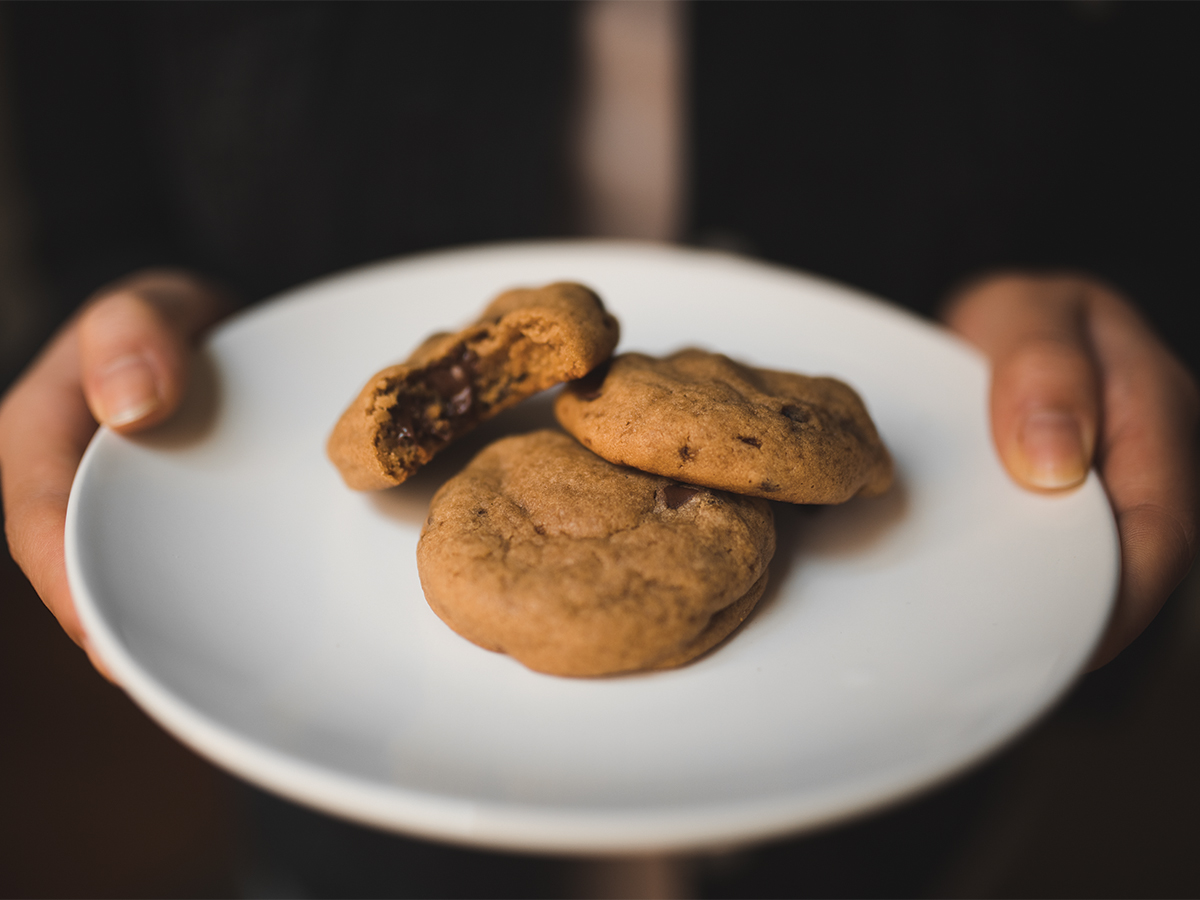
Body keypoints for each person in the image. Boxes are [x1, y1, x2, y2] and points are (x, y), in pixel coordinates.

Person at [0, 2, 1196, 896]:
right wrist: (121, 307)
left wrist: (1128, 301)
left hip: (891, 791)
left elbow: (1157, 150)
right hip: (355, 792)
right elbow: (94, 173)